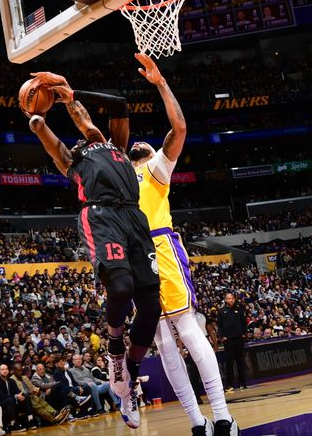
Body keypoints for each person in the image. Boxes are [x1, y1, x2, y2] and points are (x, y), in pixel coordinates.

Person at [29, 70, 161, 428]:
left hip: (134, 217)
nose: (80, 140)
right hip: (100, 215)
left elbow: (117, 105)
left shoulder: (113, 145)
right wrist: (37, 116)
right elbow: (46, 135)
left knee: (152, 307)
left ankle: (129, 377)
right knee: (121, 287)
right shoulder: (72, 160)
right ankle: (115, 347)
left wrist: (69, 92)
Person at [127, 53, 238, 436]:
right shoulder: (139, 172)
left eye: (144, 144)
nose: (141, 142)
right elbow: (178, 127)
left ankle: (209, 420)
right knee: (179, 334)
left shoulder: (141, 174)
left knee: (170, 339)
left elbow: (178, 130)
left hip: (144, 253)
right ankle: (212, 420)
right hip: (149, 251)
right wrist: (159, 83)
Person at [218, 293, 248, 391]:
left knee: (241, 362)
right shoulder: (221, 311)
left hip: (239, 339)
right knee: (229, 363)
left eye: (232, 298)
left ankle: (242, 383)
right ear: (225, 300)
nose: (230, 300)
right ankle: (229, 385)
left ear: (234, 299)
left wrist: (244, 333)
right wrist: (222, 336)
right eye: (228, 299)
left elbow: (244, 323)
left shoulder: (239, 310)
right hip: (228, 340)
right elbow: (220, 325)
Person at [0, 363, 32, 433]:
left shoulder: (11, 381)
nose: (5, 371)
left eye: (6, 369)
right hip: (1, 403)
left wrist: (22, 394)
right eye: (2, 369)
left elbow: (17, 391)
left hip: (12, 401)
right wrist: (16, 396)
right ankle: (13, 425)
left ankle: (30, 421)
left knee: (26, 397)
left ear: (8, 371)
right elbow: (1, 396)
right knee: (10, 400)